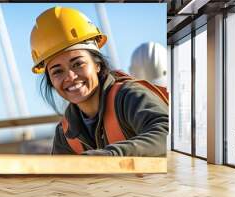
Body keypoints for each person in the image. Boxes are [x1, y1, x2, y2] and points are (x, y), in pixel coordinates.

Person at [30, 6, 168, 156]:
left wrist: (106, 158)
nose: (70, 76)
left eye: (77, 64)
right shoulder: (66, 134)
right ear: (51, 81)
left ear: (97, 65)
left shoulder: (129, 98)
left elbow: (166, 134)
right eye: (57, 71)